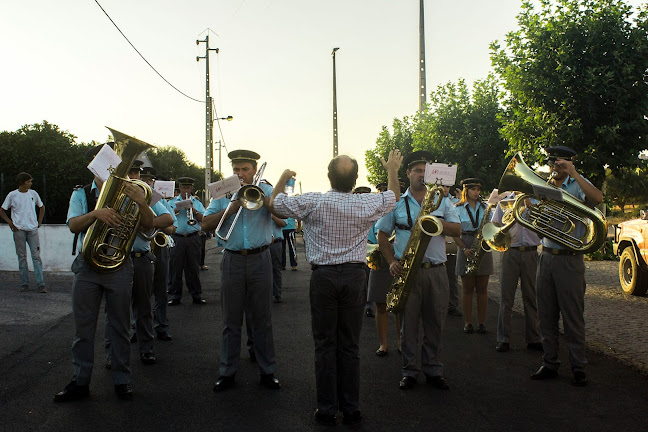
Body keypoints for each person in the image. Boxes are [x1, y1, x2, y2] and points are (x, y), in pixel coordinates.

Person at [270, 149, 402, 426]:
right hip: (355, 276)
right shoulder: (365, 203)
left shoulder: (313, 201)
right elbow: (393, 197)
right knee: (349, 346)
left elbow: (275, 204)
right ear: (355, 180)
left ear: (328, 176)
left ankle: (327, 408)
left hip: (324, 279)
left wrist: (283, 177)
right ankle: (351, 408)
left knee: (325, 345)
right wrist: (392, 169)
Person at [54, 143, 155, 402]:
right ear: (94, 166)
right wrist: (97, 214)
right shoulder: (81, 194)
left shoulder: (132, 190)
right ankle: (80, 382)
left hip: (119, 266)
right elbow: (74, 225)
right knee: (83, 329)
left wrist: (142, 202)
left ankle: (122, 380)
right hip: (88, 266)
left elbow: (149, 225)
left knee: (120, 327)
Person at [376, 151, 461, 391]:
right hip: (407, 271)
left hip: (436, 270)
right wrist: (391, 260)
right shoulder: (396, 203)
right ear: (408, 173)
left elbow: (457, 230)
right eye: (417, 171)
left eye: (425, 171)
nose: (421, 175)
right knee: (409, 325)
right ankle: (410, 371)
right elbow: (382, 235)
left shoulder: (443, 201)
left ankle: (434, 369)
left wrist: (436, 222)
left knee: (436, 324)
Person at [202, 150, 281, 392]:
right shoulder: (222, 192)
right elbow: (205, 224)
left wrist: (262, 198)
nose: (240, 173)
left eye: (245, 169)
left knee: (262, 320)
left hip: (260, 259)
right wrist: (233, 206)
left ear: (254, 170)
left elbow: (283, 219)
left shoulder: (266, 190)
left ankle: (267, 371)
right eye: (236, 169)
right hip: (232, 260)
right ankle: (227, 372)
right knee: (231, 321)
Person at [530, 146, 603, 387]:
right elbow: (534, 221)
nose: (556, 168)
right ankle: (549, 362)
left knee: (572, 317)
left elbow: (598, 199)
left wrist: (575, 174)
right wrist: (532, 211)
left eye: (561, 164)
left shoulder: (577, 184)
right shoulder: (545, 186)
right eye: (553, 163)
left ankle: (578, 366)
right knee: (546, 314)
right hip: (547, 255)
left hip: (570, 258)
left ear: (569, 164)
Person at [491, 193, 543, 353]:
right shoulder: (506, 202)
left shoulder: (537, 202)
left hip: (531, 252)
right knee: (506, 297)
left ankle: (534, 338)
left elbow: (544, 229)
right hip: (510, 252)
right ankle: (503, 339)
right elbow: (495, 225)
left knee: (531, 297)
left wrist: (532, 208)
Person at [453, 178, 493, 334]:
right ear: (466, 191)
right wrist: (464, 248)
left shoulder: (486, 207)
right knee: (468, 288)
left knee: (483, 288)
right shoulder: (457, 208)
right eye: (473, 189)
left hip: (483, 244)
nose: (477, 192)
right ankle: (468, 322)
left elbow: (492, 227)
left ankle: (482, 323)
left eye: (478, 189)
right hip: (466, 243)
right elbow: (455, 233)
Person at [141, 169, 177, 341]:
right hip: (141, 249)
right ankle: (136, 328)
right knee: (140, 293)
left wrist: (153, 224)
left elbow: (172, 227)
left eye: (149, 181)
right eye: (144, 180)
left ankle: (161, 326)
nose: (147, 183)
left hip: (159, 246)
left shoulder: (159, 200)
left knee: (160, 289)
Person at [0, 172, 46, 292]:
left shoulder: (33, 193)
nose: (30, 183)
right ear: (23, 182)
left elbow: (41, 207)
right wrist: (10, 223)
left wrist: (39, 221)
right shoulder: (12, 195)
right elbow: (2, 210)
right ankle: (24, 283)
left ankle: (41, 284)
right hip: (19, 229)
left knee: (36, 256)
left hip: (32, 229)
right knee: (22, 257)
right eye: (29, 181)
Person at [167, 177, 207, 306]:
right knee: (176, 268)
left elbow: (204, 219)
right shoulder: (172, 202)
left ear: (191, 188)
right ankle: (175, 296)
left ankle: (196, 295)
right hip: (177, 237)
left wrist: (193, 210)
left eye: (188, 187)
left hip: (193, 237)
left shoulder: (197, 202)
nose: (186, 190)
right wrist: (176, 210)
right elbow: (167, 217)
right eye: (183, 187)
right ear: (179, 187)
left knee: (193, 268)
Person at [442, 184, 462, 317]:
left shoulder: (454, 201)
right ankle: (440, 304)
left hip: (451, 243)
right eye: (443, 186)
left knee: (452, 277)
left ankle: (452, 305)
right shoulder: (432, 200)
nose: (445, 189)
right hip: (439, 244)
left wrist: (460, 198)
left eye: (447, 187)